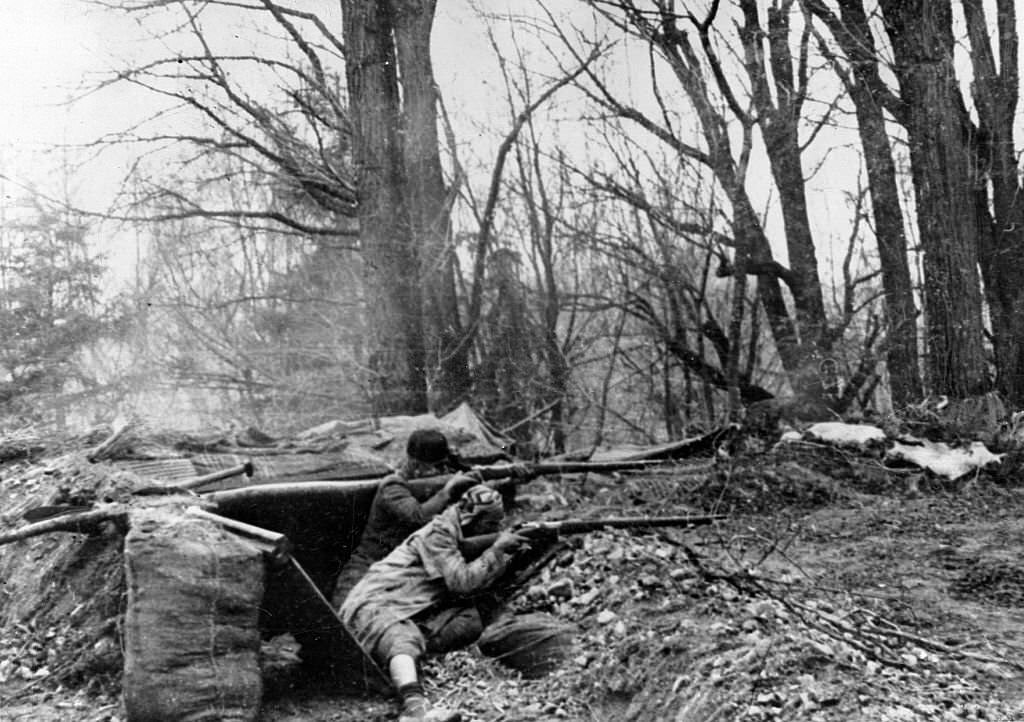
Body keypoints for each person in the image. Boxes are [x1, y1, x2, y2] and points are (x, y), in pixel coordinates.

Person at [341, 485, 530, 722]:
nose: (495, 530)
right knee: (401, 639)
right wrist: (497, 549)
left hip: (412, 603)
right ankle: (415, 707)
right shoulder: (439, 534)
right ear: (472, 518)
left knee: (469, 622)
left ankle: (398, 663)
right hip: (377, 601)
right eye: (490, 524)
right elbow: (462, 582)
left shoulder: (456, 530)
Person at [331, 428, 484, 608]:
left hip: (404, 573)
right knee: (350, 615)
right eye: (436, 466)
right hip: (367, 569)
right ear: (414, 465)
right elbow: (417, 516)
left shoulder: (431, 485)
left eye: (444, 465)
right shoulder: (393, 486)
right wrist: (447, 491)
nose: (443, 470)